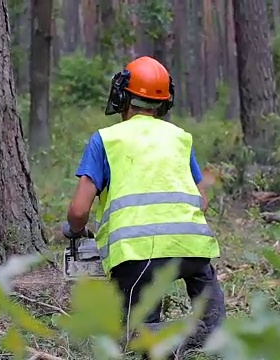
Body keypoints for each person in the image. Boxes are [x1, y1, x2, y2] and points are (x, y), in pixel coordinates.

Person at [64, 56, 226, 334]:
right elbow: (203, 201)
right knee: (216, 328)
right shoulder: (180, 137)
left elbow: (79, 211)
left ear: (122, 96)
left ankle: (156, 333)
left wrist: (75, 231)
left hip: (136, 254)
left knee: (137, 335)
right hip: (193, 249)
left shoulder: (105, 140)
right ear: (165, 100)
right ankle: (210, 331)